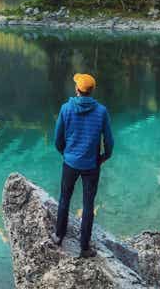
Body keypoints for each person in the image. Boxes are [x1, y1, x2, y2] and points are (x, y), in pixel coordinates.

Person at [50, 72, 114, 258]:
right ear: (92, 91)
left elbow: (57, 139)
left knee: (64, 199)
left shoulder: (65, 109)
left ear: (77, 89)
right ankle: (84, 247)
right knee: (88, 205)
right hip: (91, 165)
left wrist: (66, 153)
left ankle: (58, 235)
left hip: (70, 162)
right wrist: (104, 156)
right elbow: (109, 140)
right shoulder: (101, 111)